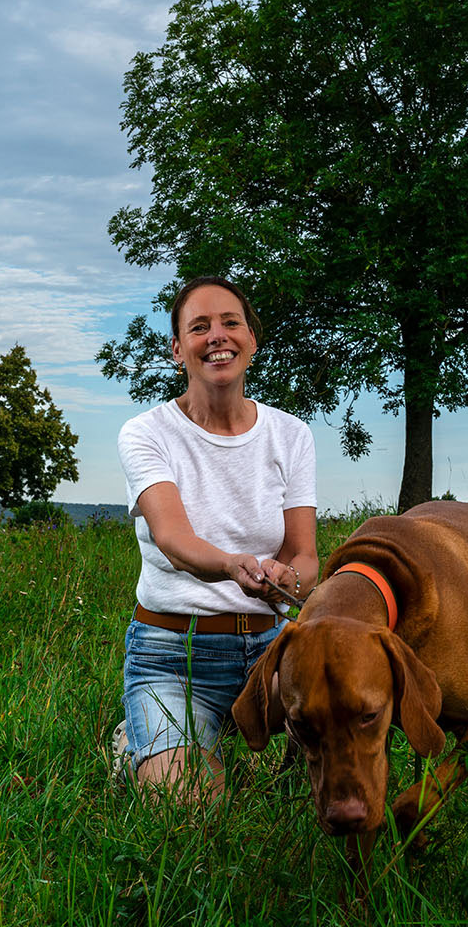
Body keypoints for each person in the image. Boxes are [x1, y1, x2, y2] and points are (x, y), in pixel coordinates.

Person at [116, 275, 319, 800]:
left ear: (252, 338)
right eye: (199, 327)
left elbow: (304, 554)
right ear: (177, 348)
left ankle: (232, 737)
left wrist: (286, 578)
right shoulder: (146, 433)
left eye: (231, 323)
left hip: (272, 653)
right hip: (172, 655)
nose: (217, 336)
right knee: (197, 816)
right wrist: (234, 565)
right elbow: (174, 539)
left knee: (345, 751)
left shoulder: (291, 434)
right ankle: (141, 744)